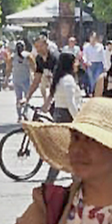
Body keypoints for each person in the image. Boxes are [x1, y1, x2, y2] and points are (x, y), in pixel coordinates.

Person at [43, 52, 85, 183]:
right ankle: (76, 183)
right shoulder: (68, 80)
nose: (77, 64)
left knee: (63, 153)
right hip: (67, 116)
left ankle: (75, 182)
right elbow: (70, 103)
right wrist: (78, 120)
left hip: (59, 114)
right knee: (68, 153)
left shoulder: (60, 79)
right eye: (75, 62)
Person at [9, 41, 34, 119]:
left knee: (18, 98)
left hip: (16, 79)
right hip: (26, 79)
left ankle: (19, 115)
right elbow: (34, 67)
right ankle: (25, 112)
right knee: (27, 97)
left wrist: (6, 79)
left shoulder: (12, 56)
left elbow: (8, 68)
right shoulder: (28, 56)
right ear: (24, 47)